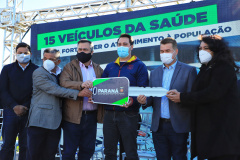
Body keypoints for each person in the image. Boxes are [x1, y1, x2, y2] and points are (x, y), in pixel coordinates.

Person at [167, 35, 240, 160]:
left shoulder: (224, 67)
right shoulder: (205, 68)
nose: (202, 51)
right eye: (200, 48)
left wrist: (182, 97)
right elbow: (198, 92)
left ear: (216, 49)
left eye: (206, 48)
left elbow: (211, 93)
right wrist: (179, 95)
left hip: (222, 133)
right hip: (209, 132)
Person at [137, 37, 197, 160]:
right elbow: (151, 97)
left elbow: (193, 98)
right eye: (162, 51)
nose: (164, 54)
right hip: (158, 127)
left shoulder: (189, 71)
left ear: (176, 51)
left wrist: (180, 98)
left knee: (179, 157)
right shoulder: (154, 72)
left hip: (178, 126)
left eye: (168, 50)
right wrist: (144, 101)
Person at [27, 48, 88, 160]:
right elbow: (54, 89)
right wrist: (79, 93)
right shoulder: (38, 73)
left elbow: (67, 85)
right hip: (39, 121)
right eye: (45, 58)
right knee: (34, 154)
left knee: (50, 155)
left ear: (58, 61)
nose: (47, 61)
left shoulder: (62, 73)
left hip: (56, 122)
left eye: (51, 59)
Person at [102, 33, 149, 160]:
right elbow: (101, 87)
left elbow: (142, 89)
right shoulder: (110, 66)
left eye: (125, 44)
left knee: (130, 152)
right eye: (119, 44)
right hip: (109, 114)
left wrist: (132, 101)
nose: (121, 47)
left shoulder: (140, 66)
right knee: (109, 152)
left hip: (129, 115)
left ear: (131, 47)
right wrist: (95, 95)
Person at [59, 39, 104, 160]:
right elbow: (63, 82)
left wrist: (97, 96)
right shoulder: (69, 67)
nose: (82, 52)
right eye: (80, 49)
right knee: (69, 151)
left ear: (92, 52)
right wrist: (81, 86)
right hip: (72, 117)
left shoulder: (98, 69)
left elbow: (105, 87)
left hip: (91, 117)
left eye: (85, 50)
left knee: (88, 150)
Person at [0, 42, 38, 160]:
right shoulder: (7, 69)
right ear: (15, 54)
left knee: (26, 146)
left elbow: (37, 92)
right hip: (10, 111)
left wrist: (25, 107)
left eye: (25, 53)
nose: (22, 55)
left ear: (30, 54)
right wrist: (14, 106)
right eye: (20, 53)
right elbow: (2, 90)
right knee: (7, 145)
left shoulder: (37, 70)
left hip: (29, 112)